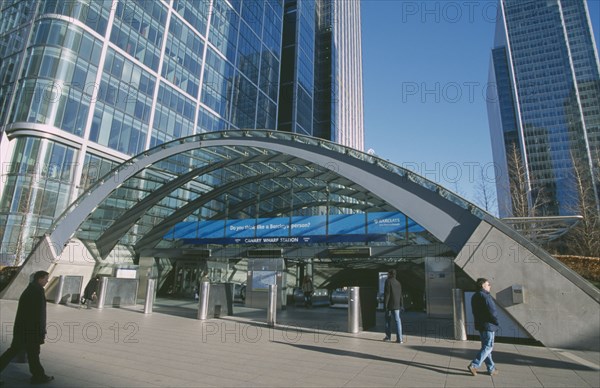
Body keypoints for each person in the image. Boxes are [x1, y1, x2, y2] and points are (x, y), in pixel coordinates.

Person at [0, 270, 54, 384]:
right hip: (30, 330)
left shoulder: (32, 289)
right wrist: (40, 331)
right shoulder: (36, 291)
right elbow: (38, 315)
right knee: (24, 352)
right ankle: (39, 376)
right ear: (39, 279)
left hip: (24, 329)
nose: (47, 280)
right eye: (45, 278)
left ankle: (38, 375)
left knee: (32, 353)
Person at [468, 277, 500, 377]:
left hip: (480, 324)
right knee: (488, 346)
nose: (490, 286)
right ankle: (474, 365)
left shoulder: (475, 296)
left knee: (486, 347)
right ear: (483, 285)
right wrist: (496, 322)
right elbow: (492, 312)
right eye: (488, 284)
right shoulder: (486, 296)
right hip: (488, 325)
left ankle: (491, 368)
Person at [383, 269, 404, 343]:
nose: (387, 275)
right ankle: (400, 339)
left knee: (388, 321)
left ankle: (388, 337)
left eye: (388, 273)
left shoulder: (388, 281)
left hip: (389, 305)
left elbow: (387, 294)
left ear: (390, 274)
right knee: (398, 321)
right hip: (397, 305)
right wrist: (401, 305)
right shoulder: (398, 283)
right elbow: (401, 295)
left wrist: (385, 305)